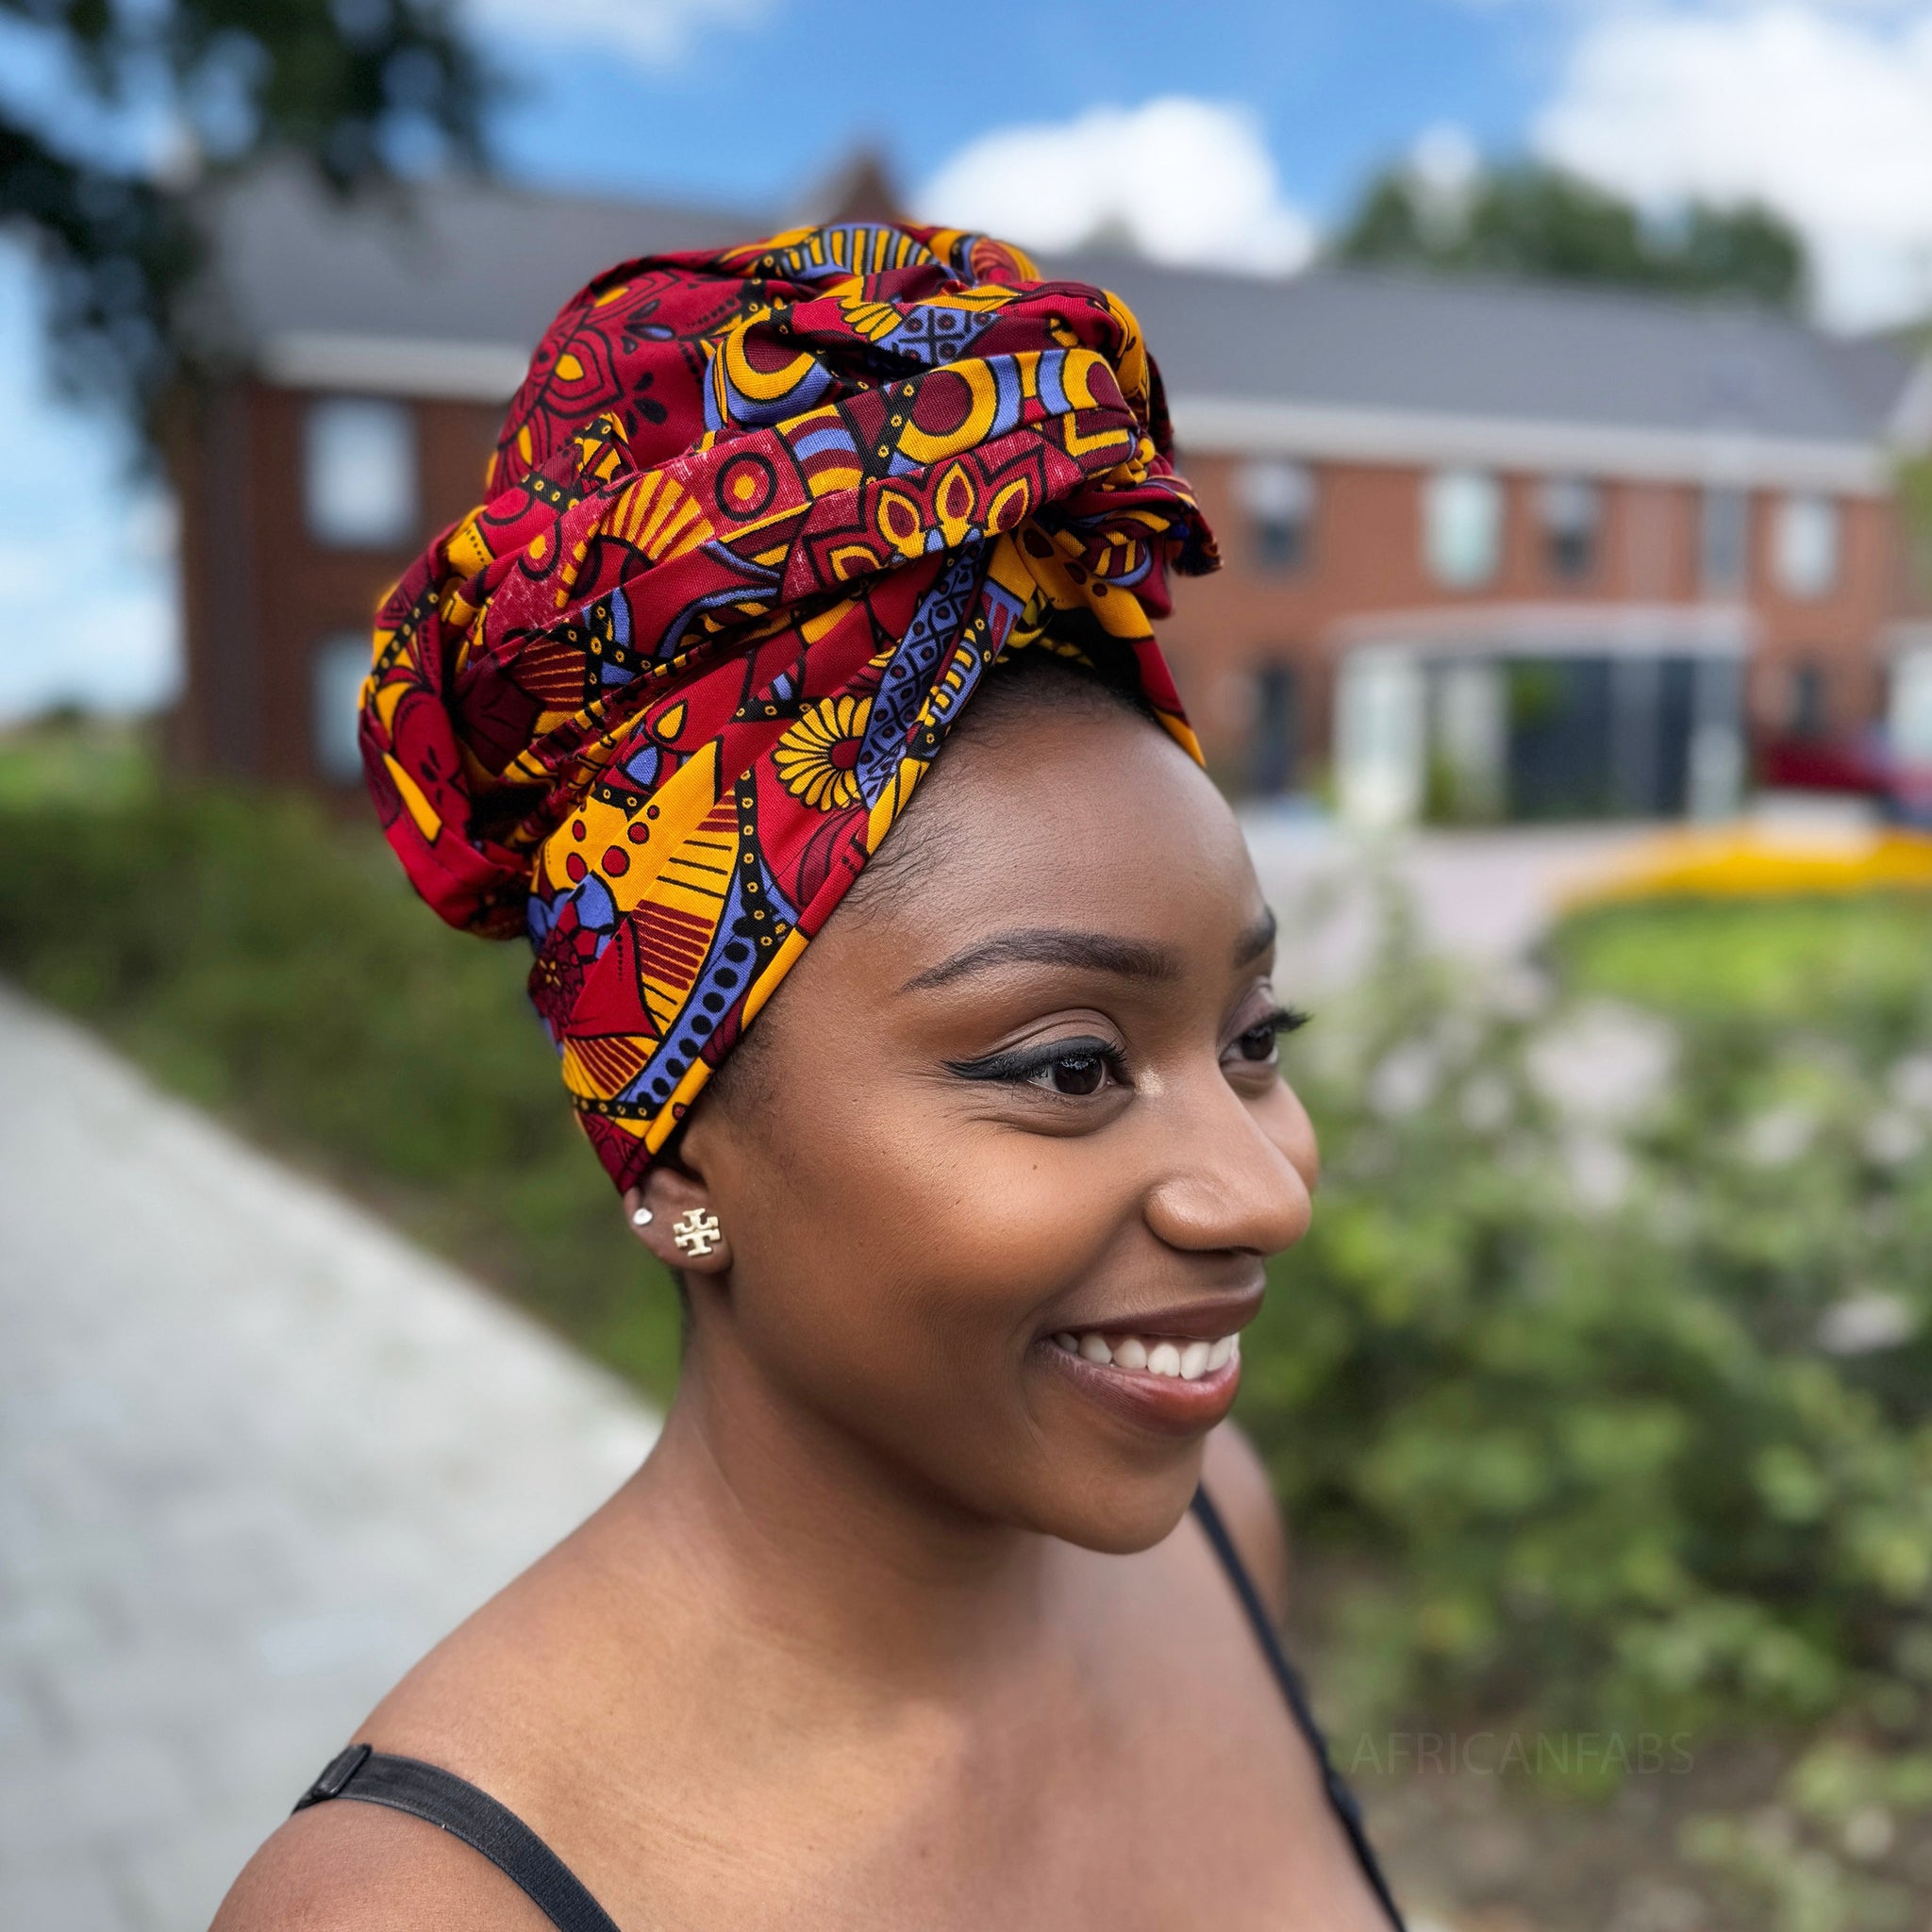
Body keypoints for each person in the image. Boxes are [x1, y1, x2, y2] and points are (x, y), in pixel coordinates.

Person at [212, 221, 1406, 1931]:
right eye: (1070, 1066)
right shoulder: (426, 1911)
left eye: (1252, 1042)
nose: (1268, 1186)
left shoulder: (1222, 1535)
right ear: (680, 1155)